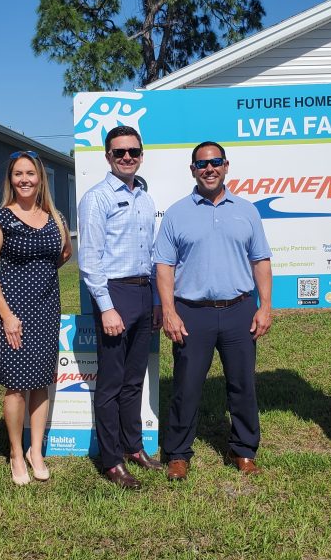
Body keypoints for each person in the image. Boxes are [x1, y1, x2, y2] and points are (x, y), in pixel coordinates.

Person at [153, 142, 273, 482]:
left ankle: (244, 450)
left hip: (239, 311)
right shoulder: (177, 213)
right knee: (186, 386)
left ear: (226, 166)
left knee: (242, 385)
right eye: (202, 164)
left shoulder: (247, 210)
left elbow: (260, 260)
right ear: (193, 169)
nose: (209, 168)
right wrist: (169, 311)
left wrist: (265, 306)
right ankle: (178, 453)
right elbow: (164, 266)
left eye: (215, 162)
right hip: (192, 313)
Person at [78, 125, 162, 490]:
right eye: (119, 152)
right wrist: (107, 307)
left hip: (143, 293)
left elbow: (152, 255)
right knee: (111, 384)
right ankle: (111, 460)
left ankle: (133, 448)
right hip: (115, 294)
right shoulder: (97, 198)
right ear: (108, 156)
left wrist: (157, 300)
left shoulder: (144, 195)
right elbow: (90, 260)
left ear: (141, 154)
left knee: (134, 381)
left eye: (133, 151)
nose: (127, 157)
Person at [0, 151, 71, 486]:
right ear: (11, 179)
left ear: (39, 178)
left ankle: (36, 451)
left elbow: (63, 255)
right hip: (14, 310)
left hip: (47, 307)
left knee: (41, 383)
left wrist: (42, 276)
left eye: (30, 173)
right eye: (18, 174)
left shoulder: (54, 217)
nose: (24, 179)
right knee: (17, 386)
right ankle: (16, 454)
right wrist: (7, 315)